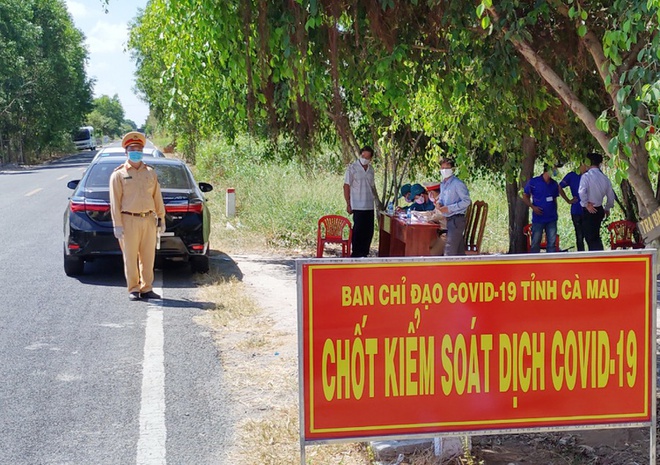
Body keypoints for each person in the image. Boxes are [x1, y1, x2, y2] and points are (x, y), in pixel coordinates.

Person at [110, 131, 166, 301]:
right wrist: (117, 225)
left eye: (139, 148)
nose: (136, 151)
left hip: (148, 219)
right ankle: (133, 288)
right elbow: (115, 202)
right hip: (129, 220)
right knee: (130, 256)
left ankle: (147, 287)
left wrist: (161, 218)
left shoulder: (150, 172)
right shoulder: (118, 175)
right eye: (132, 149)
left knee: (148, 256)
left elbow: (157, 196)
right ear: (126, 151)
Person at [344, 146, 376, 257]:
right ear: (360, 155)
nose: (365, 159)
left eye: (367, 157)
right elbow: (346, 186)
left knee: (369, 231)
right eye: (363, 156)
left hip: (369, 205)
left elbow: (372, 186)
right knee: (358, 230)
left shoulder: (371, 170)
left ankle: (365, 253)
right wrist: (348, 203)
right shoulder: (352, 168)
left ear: (370, 158)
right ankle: (356, 253)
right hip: (357, 205)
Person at [578, 152, 615, 251]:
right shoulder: (604, 178)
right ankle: (599, 257)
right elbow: (611, 196)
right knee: (596, 236)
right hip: (599, 209)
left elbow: (581, 192)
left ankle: (595, 259)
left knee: (590, 237)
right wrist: (607, 208)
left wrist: (586, 204)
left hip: (589, 209)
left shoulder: (586, 176)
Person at [435, 159, 471, 255]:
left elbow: (467, 201)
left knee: (449, 250)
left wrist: (450, 208)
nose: (445, 170)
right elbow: (441, 198)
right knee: (459, 252)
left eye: (447, 168)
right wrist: (439, 203)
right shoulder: (443, 184)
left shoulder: (457, 184)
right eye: (442, 168)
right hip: (449, 219)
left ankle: (446, 270)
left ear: (453, 169)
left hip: (457, 219)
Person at [522, 164, 559, 253]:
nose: (555, 171)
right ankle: (534, 263)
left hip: (551, 218)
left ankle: (551, 264)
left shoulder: (554, 184)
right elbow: (525, 196)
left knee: (551, 243)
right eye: (554, 169)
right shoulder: (534, 182)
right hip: (538, 219)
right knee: (535, 242)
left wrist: (555, 212)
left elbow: (555, 199)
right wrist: (533, 207)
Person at [559, 162, 588, 251]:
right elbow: (559, 187)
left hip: (588, 209)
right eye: (585, 165)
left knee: (590, 235)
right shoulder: (572, 175)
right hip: (576, 209)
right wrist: (568, 200)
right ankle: (581, 256)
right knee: (579, 236)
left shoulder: (589, 176)